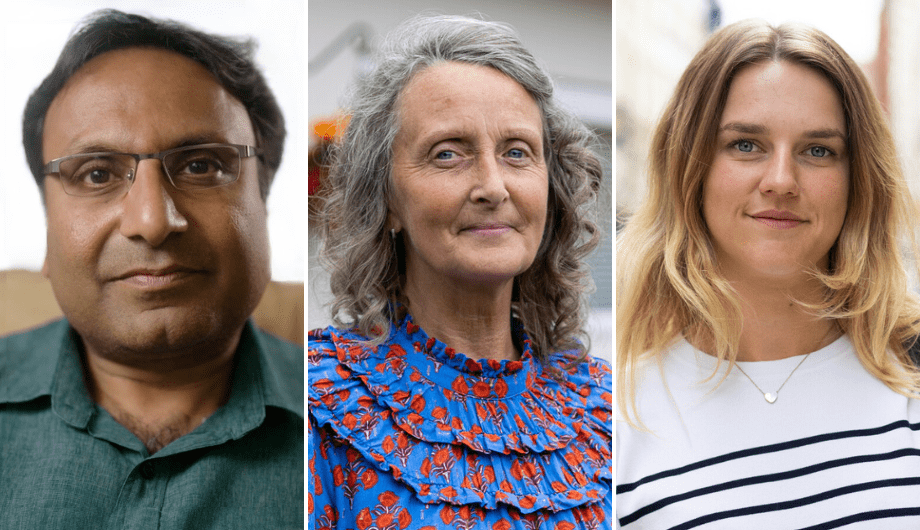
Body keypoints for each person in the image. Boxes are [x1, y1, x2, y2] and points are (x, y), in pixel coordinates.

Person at [308, 14, 612, 530]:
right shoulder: (321, 403)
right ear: (386, 200)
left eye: (517, 152)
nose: (493, 187)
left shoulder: (607, 409)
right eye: (447, 154)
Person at [0, 10, 303, 528]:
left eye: (201, 165)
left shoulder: (353, 425)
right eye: (97, 173)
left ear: (264, 205)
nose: (152, 221)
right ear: (47, 226)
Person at [616, 19, 920, 529]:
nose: (781, 181)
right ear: (690, 167)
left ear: (857, 180)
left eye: (818, 150)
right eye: (746, 145)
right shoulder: (617, 419)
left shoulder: (911, 370)